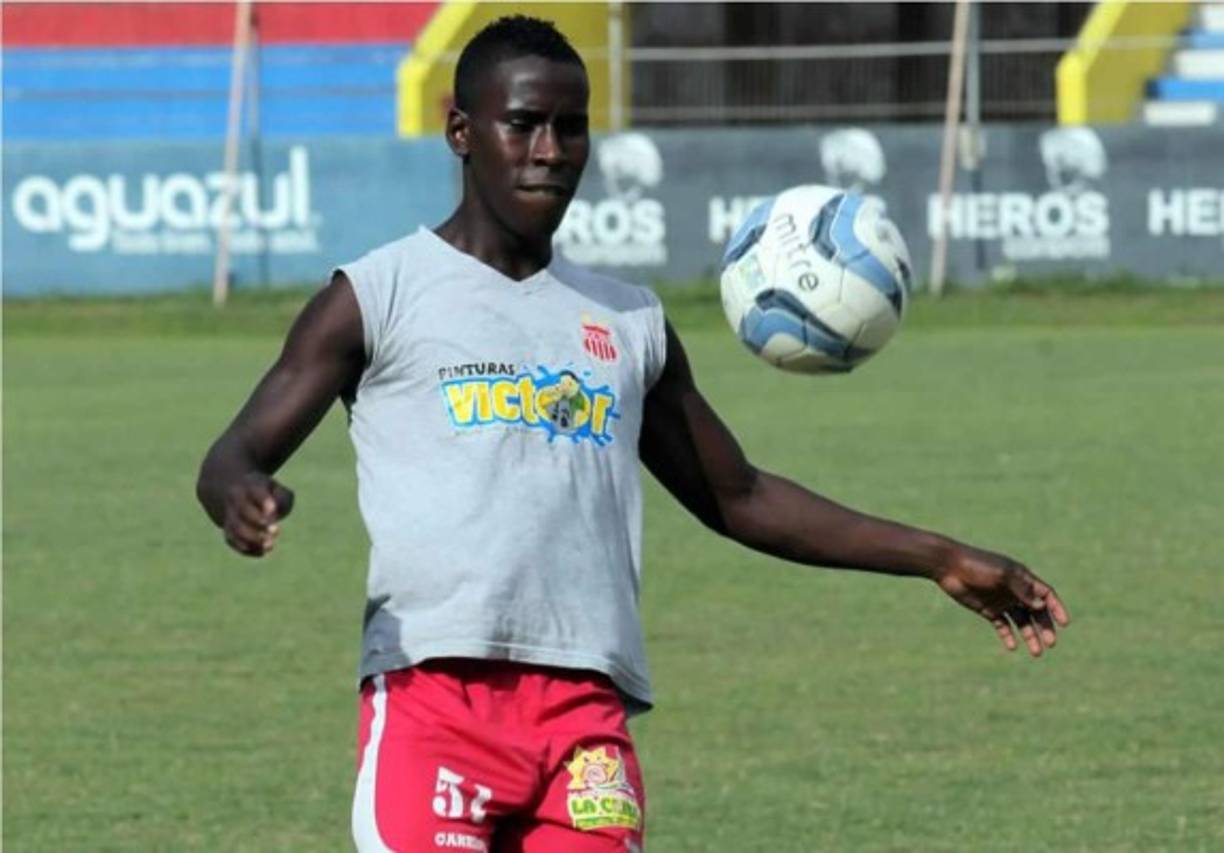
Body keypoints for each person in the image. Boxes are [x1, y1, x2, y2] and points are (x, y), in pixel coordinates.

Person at [196, 15, 1069, 853]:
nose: (550, 151)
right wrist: (242, 492)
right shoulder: (380, 293)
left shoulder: (629, 320)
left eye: (571, 129)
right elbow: (233, 453)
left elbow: (741, 495)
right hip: (435, 694)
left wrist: (940, 557)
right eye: (523, 124)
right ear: (460, 130)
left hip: (585, 720)